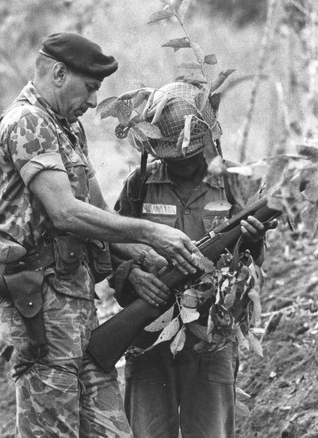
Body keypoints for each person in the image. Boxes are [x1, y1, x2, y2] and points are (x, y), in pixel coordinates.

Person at [0, 32, 202, 438]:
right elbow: (66, 212)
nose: (90, 102)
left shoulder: (66, 128)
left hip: (77, 313)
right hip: (41, 316)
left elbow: (98, 213)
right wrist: (153, 233)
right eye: (89, 89)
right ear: (59, 73)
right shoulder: (29, 122)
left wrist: (145, 254)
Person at [110, 81, 270, 438]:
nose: (181, 161)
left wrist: (254, 242)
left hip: (211, 336)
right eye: (172, 155)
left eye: (189, 152)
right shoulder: (140, 185)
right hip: (149, 335)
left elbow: (254, 267)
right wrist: (133, 276)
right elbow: (110, 250)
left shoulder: (235, 183)